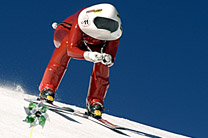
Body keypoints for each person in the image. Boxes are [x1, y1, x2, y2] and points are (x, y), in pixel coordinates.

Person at [39, 3, 122, 118]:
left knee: (103, 61)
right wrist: (88, 55)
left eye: (109, 25)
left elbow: (111, 59)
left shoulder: (114, 33)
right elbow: (71, 50)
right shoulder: (82, 19)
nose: (105, 28)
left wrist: (106, 59)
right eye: (102, 23)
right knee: (65, 46)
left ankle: (95, 101)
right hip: (67, 33)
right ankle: (47, 87)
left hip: (93, 44)